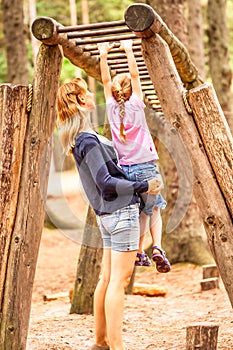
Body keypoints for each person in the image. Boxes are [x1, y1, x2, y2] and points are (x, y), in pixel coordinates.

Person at [56, 77, 163, 350]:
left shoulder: (81, 138)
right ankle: (116, 347)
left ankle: (101, 342)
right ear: (81, 101)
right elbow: (105, 182)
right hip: (121, 214)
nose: (92, 94)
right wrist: (144, 185)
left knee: (106, 278)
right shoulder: (88, 141)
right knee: (119, 281)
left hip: (107, 217)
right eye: (87, 92)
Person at [97, 40, 171, 273]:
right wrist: (129, 49)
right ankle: (157, 247)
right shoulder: (137, 105)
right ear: (131, 92)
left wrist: (103, 54)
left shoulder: (110, 107)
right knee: (154, 209)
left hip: (126, 171)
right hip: (147, 168)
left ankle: (139, 251)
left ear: (115, 92)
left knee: (139, 211)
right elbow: (135, 75)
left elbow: (106, 80)